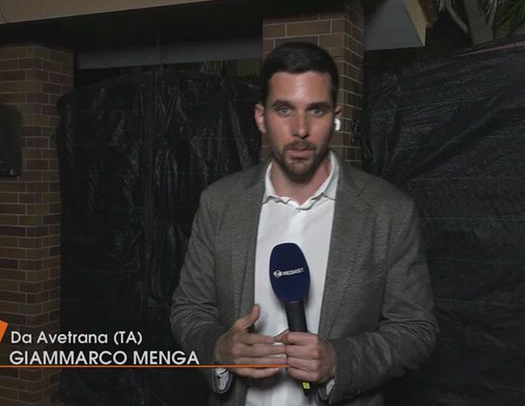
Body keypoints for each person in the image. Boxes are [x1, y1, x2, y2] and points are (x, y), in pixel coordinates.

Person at [170, 42, 437, 406]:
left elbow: (415, 329)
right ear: (261, 117)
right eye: (284, 109)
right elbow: (189, 309)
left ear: (335, 117)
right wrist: (218, 348)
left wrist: (339, 360)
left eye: (316, 110)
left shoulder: (388, 211)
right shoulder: (220, 203)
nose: (300, 129)